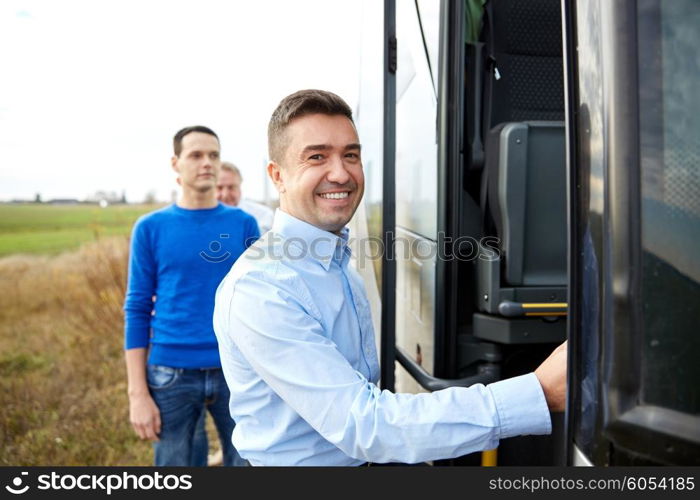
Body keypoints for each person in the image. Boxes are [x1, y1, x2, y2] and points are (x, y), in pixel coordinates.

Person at [213, 90, 567, 466]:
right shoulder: (263, 288)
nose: (341, 172)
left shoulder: (338, 264)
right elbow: (365, 425)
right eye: (317, 156)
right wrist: (537, 394)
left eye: (351, 154)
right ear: (277, 176)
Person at [124, 125, 259, 466]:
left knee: (249, 463)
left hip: (237, 369)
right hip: (171, 373)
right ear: (175, 164)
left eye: (214, 155)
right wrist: (137, 393)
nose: (207, 163)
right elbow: (137, 308)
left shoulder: (244, 224)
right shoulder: (150, 228)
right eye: (196, 155)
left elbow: (262, 302)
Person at [217, 162, 274, 234]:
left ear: (240, 188)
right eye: (219, 188)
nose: (225, 194)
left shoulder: (263, 216)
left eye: (231, 187)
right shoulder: (201, 218)